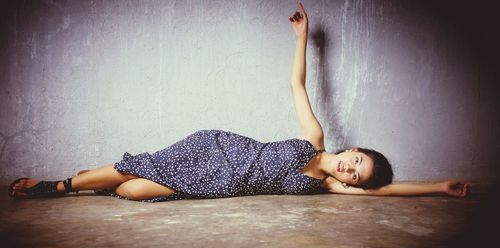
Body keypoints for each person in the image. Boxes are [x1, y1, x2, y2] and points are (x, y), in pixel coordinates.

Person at [8, 1, 471, 202]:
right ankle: (59, 186)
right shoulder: (314, 139)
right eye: (357, 160)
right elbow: (297, 87)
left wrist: (437, 188)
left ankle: (94, 183)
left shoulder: (327, 188)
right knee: (136, 168)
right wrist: (303, 37)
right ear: (353, 150)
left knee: (130, 191)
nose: (350, 169)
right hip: (218, 148)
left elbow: (387, 191)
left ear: (352, 184)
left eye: (357, 175)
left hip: (220, 184)